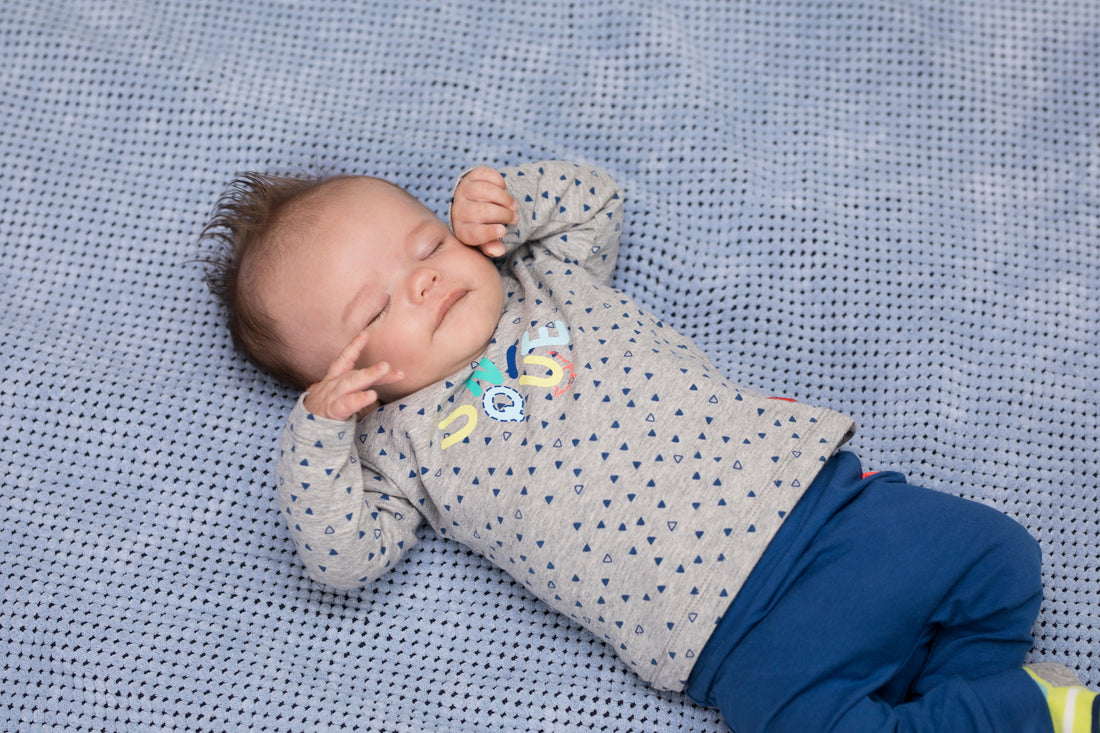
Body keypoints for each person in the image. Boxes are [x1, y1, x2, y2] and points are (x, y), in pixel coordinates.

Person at [201, 159, 1097, 732]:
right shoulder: (398, 447)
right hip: (732, 639)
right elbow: (340, 556)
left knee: (998, 555)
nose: (426, 280)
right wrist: (319, 433)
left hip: (821, 507)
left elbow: (597, 202)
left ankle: (977, 696)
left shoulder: (541, 278)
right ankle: (1024, 707)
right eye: (376, 308)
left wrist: (508, 205)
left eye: (427, 243)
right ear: (346, 380)